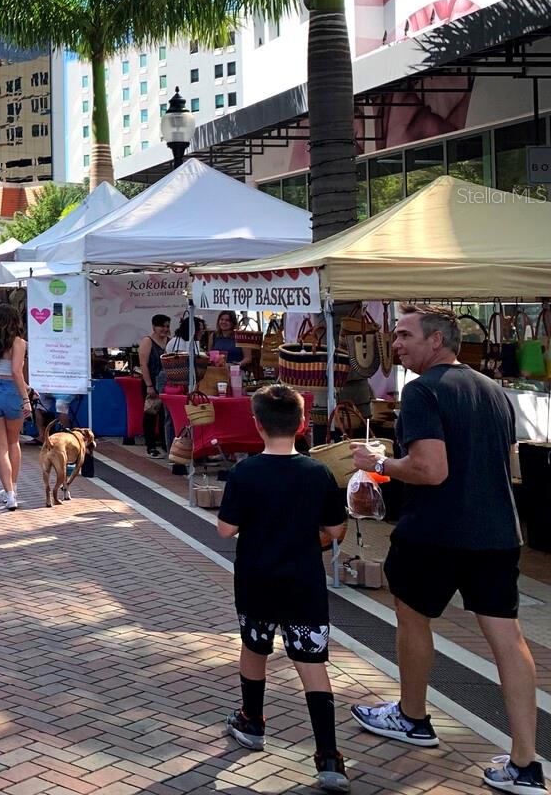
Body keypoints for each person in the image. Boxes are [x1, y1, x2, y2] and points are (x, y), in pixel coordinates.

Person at [349, 306, 541, 794]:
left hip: (434, 532)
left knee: (413, 619)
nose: (396, 344)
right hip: (497, 532)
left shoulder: (423, 390)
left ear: (436, 340)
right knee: (508, 639)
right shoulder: (493, 390)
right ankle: (525, 762)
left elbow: (431, 469)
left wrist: (379, 463)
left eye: (404, 335)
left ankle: (412, 716)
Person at [215, 384, 351, 791]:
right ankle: (328, 755)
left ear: (257, 424)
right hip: (304, 581)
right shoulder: (318, 472)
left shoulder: (245, 472)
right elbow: (337, 530)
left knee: (254, 647)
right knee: (312, 663)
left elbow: (225, 529)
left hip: (256, 578)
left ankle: (252, 721)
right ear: (302, 424)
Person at [0, 305, 33, 512]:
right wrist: (26, 398)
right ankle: (14, 488)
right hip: (12, 392)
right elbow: (16, 372)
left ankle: (8, 493)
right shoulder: (19, 342)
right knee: (13, 442)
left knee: (0, 447)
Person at [138, 314, 173, 458]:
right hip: (151, 382)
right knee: (151, 414)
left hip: (167, 384)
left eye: (167, 326)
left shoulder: (170, 341)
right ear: (154, 327)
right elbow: (143, 364)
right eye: (161, 326)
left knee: (166, 415)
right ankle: (150, 446)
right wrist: (149, 385)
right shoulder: (148, 341)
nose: (164, 329)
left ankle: (166, 443)